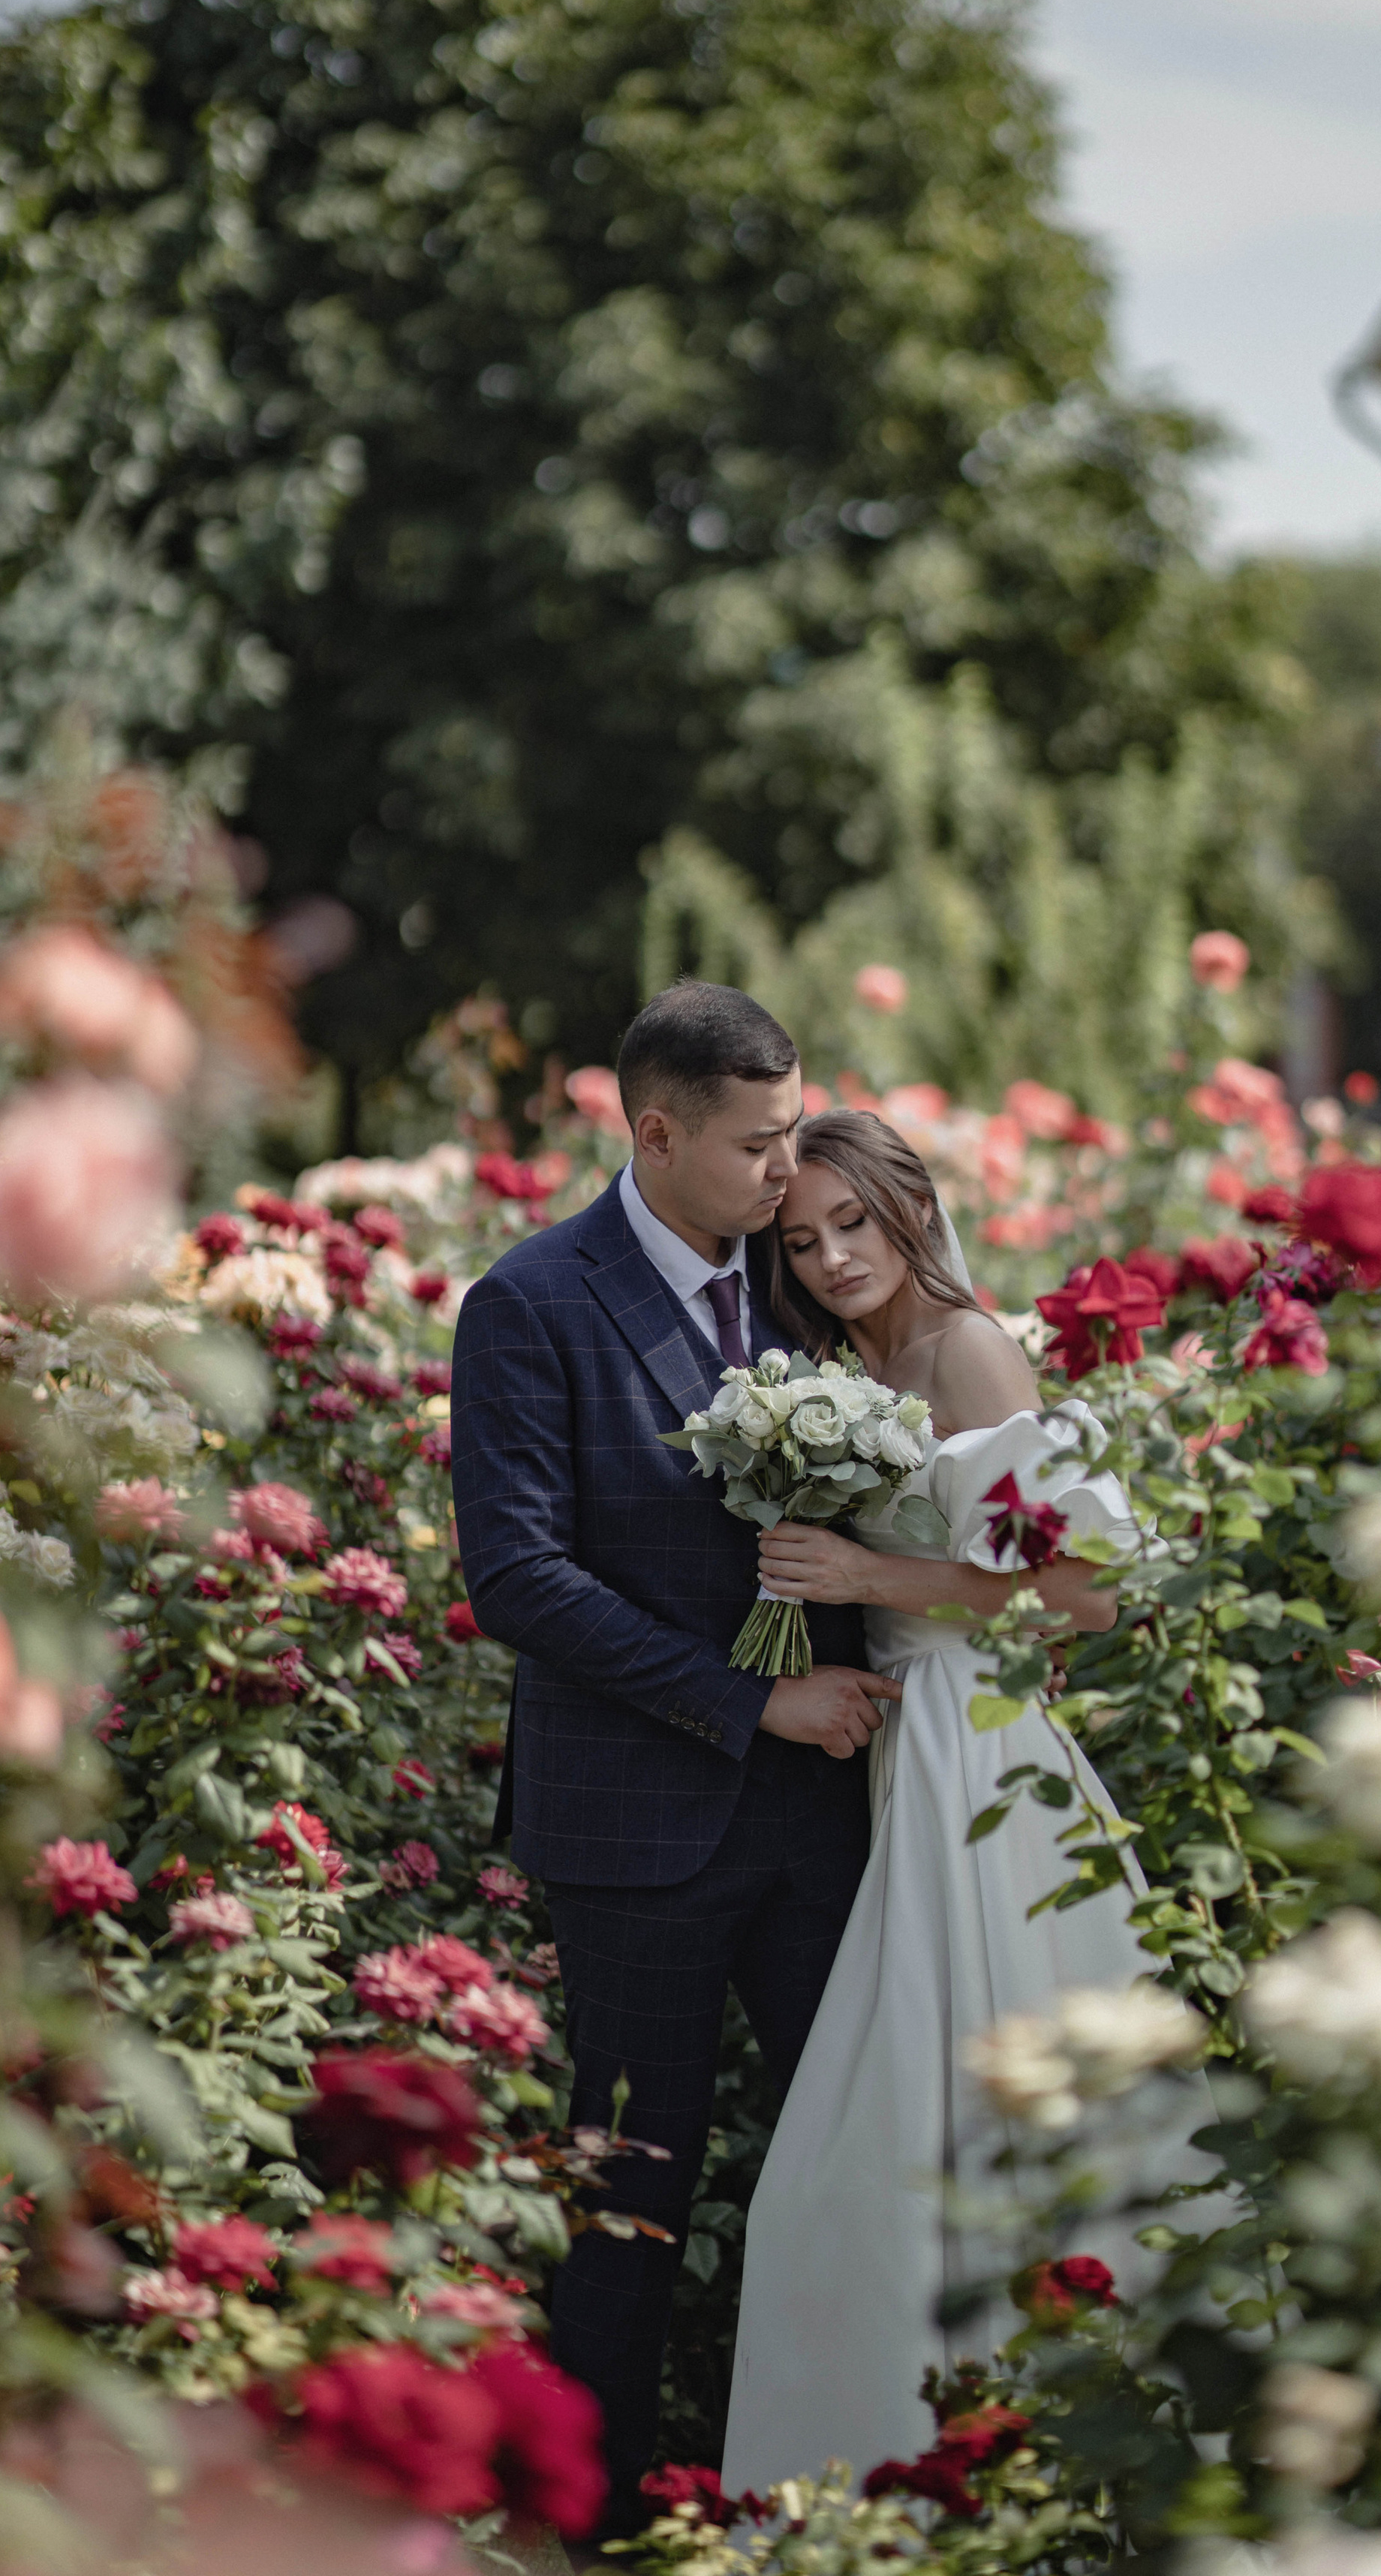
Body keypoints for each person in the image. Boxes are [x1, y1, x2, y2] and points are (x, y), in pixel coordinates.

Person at [452, 984, 902, 2553]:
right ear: (655, 1133)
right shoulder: (530, 1303)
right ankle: (591, 2537)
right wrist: (746, 1702)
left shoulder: (808, 1281)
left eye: (795, 1133)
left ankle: (872, 2506)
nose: (790, 1172)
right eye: (759, 1145)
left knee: (866, 2164)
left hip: (826, 1822)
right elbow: (518, 1578)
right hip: (635, 1837)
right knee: (627, 2207)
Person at [720, 1108, 1217, 2494]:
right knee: (888, 2130)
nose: (831, 1258)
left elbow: (1083, 1594)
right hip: (888, 1746)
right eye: (800, 1241)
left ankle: (1039, 2445)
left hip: (975, 1750)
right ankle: (897, 2454)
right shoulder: (841, 1371)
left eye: (852, 1225)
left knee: (960, 2100)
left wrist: (865, 1577)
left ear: (911, 1210)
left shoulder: (967, 1350)